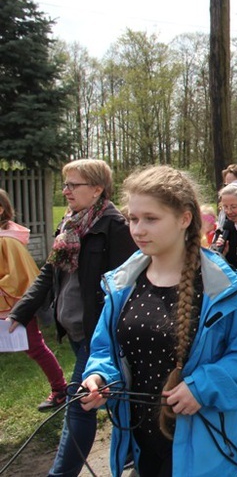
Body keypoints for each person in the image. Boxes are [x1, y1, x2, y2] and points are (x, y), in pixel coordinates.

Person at [79, 165, 237, 476]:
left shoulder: (220, 287)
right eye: (133, 219)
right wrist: (100, 378)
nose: (138, 229)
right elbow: (105, 349)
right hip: (141, 444)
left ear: (184, 218)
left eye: (151, 219)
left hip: (205, 449)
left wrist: (202, 387)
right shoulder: (122, 284)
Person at [8, 158, 137, 477]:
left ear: (96, 189)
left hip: (98, 333)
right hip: (75, 330)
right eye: (64, 184)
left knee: (78, 402)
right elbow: (49, 272)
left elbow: (127, 284)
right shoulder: (71, 224)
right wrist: (21, 312)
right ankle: (137, 448)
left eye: (72, 185)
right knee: (114, 398)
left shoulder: (115, 227)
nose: (65, 190)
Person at [1, 189, 68, 411]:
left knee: (34, 347)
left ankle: (60, 390)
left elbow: (21, 276)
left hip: (14, 306)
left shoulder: (7, 242)